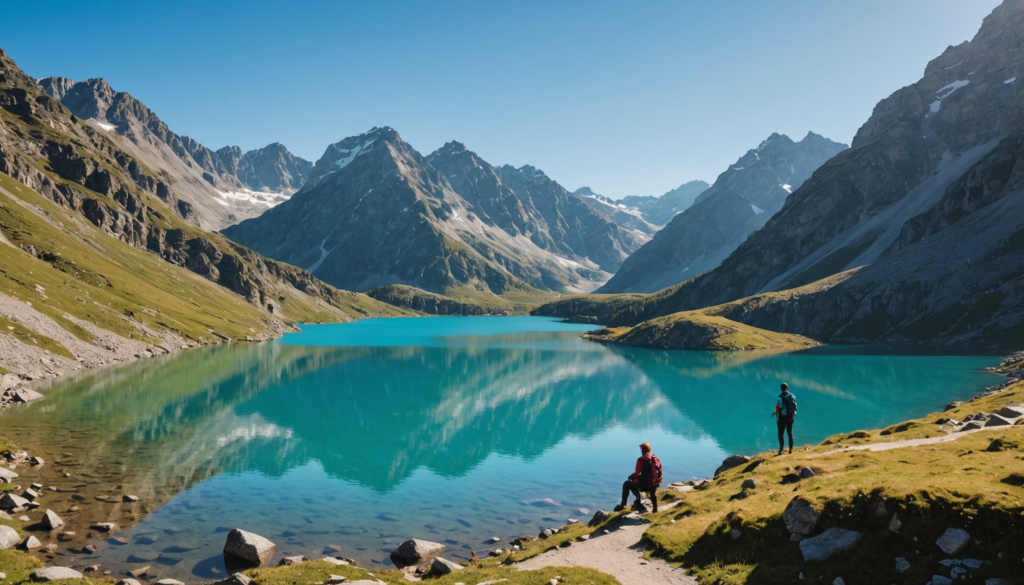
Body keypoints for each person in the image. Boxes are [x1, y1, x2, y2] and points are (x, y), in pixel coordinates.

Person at [614, 442, 662, 513]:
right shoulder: (655, 458)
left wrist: (634, 478)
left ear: (642, 450)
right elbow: (660, 470)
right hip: (655, 483)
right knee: (633, 481)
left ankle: (624, 504)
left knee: (627, 484)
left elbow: (637, 473)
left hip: (646, 485)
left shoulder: (641, 460)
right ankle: (653, 508)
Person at [773, 383, 797, 455]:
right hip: (790, 417)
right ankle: (790, 450)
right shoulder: (792, 395)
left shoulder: (779, 397)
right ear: (787, 387)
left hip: (782, 418)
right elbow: (795, 407)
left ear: (781, 388)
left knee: (780, 434)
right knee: (790, 434)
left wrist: (776, 415)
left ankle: (780, 450)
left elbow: (778, 407)